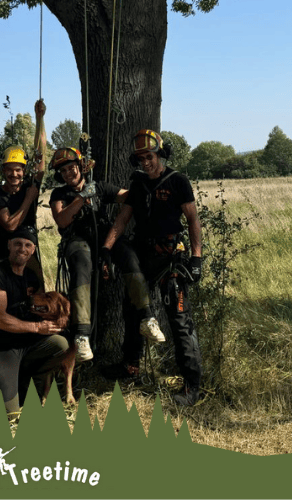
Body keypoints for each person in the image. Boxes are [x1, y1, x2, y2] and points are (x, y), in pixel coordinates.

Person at [102, 129, 203, 406]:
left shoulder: (178, 181)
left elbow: (193, 220)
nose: (145, 162)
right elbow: (123, 219)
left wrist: (196, 258)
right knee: (132, 311)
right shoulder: (139, 185)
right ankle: (130, 368)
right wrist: (106, 249)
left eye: (149, 156)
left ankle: (191, 386)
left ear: (160, 154)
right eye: (140, 158)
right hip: (143, 255)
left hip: (170, 257)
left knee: (179, 321)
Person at [49, 147, 164, 363]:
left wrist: (141, 182)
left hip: (103, 237)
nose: (68, 173)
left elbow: (127, 197)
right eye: (63, 171)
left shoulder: (99, 187)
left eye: (71, 168)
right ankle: (82, 333)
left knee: (129, 255)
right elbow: (62, 220)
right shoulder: (59, 194)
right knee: (82, 262)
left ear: (81, 167)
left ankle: (147, 317)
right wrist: (82, 197)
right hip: (77, 240)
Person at [0, 226, 70, 418]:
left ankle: (26, 384)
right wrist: (37, 327)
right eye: (17, 244)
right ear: (9, 245)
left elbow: (37, 310)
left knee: (60, 344)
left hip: (21, 345)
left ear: (33, 250)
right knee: (11, 415)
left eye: (27, 245)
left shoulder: (31, 277)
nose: (22, 249)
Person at [0, 100, 47, 283]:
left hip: (28, 251)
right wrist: (28, 200)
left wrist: (40, 119)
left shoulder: (30, 184)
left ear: (24, 171)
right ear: (3, 171)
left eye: (18, 170)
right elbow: (10, 225)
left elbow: (40, 154)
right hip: (5, 254)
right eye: (10, 170)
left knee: (35, 294)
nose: (14, 174)